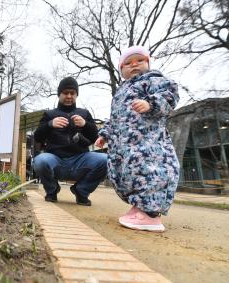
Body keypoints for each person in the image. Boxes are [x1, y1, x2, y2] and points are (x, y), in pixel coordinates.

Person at [95, 46, 180, 232]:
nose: (134, 64)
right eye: (128, 63)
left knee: (150, 172)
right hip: (126, 149)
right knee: (131, 176)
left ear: (148, 63)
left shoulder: (153, 80)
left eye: (139, 60)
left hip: (148, 143)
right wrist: (104, 135)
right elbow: (115, 117)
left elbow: (170, 95)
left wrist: (150, 103)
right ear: (122, 69)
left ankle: (151, 215)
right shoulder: (120, 92)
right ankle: (138, 206)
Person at [33, 77, 107, 206]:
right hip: (55, 159)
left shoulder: (84, 113)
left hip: (80, 159)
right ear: (59, 94)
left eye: (72, 93)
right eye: (65, 93)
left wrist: (85, 124)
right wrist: (50, 124)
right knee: (40, 161)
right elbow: (37, 137)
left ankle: (81, 191)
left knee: (107, 160)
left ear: (76, 95)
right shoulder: (49, 114)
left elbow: (96, 138)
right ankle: (52, 190)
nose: (68, 96)